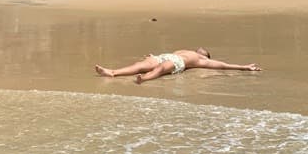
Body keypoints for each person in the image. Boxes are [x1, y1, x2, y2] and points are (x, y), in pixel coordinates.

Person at [95, 47, 262, 84]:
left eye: (205, 51)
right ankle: (112, 72)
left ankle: (143, 79)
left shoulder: (202, 60)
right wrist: (152, 56)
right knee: (139, 64)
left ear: (205, 56)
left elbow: (223, 65)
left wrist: (244, 67)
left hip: (176, 62)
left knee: (160, 70)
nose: (202, 48)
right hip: (165, 56)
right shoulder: (186, 49)